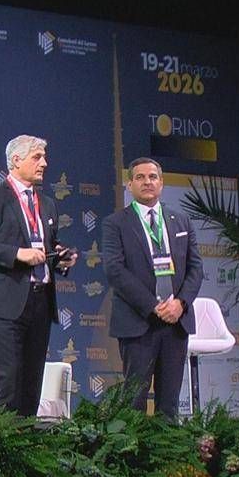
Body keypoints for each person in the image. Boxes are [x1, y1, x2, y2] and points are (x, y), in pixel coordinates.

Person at [0, 134, 75, 417]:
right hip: (5, 301)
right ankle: (3, 441)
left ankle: (28, 442)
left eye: (44, 157)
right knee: (9, 381)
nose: (44, 163)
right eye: (37, 157)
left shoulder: (47, 203)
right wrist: (17, 254)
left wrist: (61, 259)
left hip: (41, 301)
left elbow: (46, 247)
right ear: (15, 160)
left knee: (32, 382)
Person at [101, 156, 202, 418]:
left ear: (162, 183)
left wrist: (180, 304)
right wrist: (153, 306)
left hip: (176, 323)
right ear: (130, 185)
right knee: (133, 402)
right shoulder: (115, 223)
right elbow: (115, 271)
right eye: (140, 177)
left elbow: (196, 269)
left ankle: (167, 445)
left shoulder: (181, 221)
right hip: (138, 322)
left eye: (153, 177)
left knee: (169, 405)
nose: (147, 182)